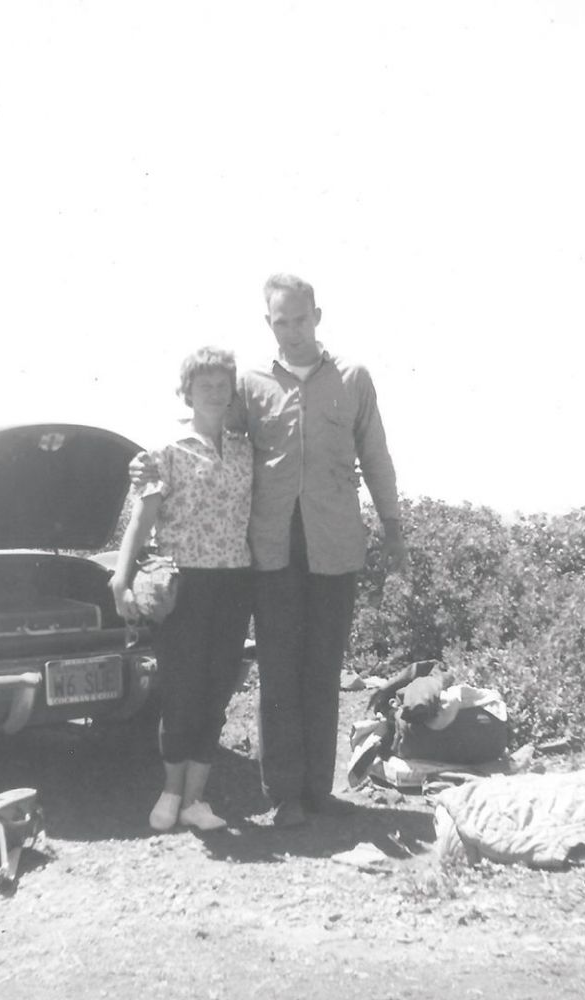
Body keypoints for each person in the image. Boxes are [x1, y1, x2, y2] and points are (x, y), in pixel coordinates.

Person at [132, 274, 405, 827]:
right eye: (281, 322)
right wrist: (148, 462)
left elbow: (375, 456)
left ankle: (317, 791)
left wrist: (394, 528)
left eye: (301, 319)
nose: (293, 331)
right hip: (272, 549)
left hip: (335, 546)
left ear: (318, 316)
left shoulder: (353, 378)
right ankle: (284, 796)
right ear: (269, 323)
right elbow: (208, 433)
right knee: (279, 671)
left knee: (324, 668)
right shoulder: (252, 384)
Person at [112, 347, 253, 832]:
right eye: (204, 383)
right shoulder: (165, 450)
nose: (214, 391)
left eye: (222, 384)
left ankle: (196, 800)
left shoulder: (245, 449)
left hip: (235, 581)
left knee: (216, 692)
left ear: (232, 391)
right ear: (187, 390)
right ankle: (170, 793)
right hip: (182, 584)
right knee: (181, 691)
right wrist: (120, 577)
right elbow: (142, 520)